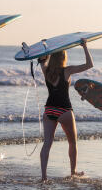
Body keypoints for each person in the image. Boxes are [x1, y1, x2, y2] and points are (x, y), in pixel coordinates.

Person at [39, 40, 93, 181]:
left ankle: (44, 176)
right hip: (64, 110)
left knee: (47, 144)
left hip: (49, 110)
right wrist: (85, 46)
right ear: (64, 57)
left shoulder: (46, 70)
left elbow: (42, 59)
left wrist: (45, 52)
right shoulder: (67, 70)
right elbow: (89, 64)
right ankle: (73, 171)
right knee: (72, 142)